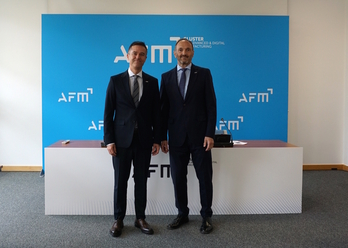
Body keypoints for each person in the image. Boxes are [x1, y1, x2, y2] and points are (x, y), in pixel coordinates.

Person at [103, 41, 161, 238]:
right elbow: (108, 113)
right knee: (120, 182)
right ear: (127, 56)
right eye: (134, 53)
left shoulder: (152, 82)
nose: (138, 57)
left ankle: (140, 218)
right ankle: (118, 219)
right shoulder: (115, 80)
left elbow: (156, 114)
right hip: (120, 142)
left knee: (141, 182)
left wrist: (157, 139)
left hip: (144, 140)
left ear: (146, 58)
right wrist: (109, 140)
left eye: (142, 54)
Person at [160, 38, 217, 234]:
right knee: (178, 177)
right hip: (176, 138)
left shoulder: (204, 74)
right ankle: (182, 213)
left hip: (200, 137)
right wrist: (162, 136)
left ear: (193, 53)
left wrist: (210, 133)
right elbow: (163, 109)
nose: (184, 53)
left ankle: (206, 216)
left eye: (187, 50)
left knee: (204, 178)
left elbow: (211, 106)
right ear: (175, 53)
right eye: (180, 50)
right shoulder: (166, 77)